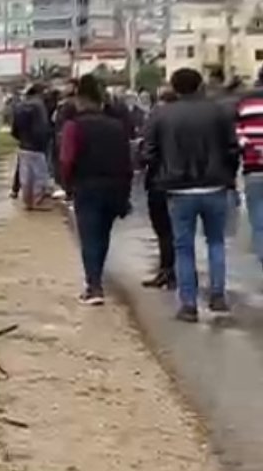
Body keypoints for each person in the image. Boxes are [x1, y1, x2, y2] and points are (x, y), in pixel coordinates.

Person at [145, 68, 240, 322]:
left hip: (178, 189)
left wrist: (159, 178)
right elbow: (233, 148)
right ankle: (218, 296)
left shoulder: (162, 115)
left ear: (174, 88)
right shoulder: (218, 111)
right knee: (216, 242)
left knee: (183, 247)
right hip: (215, 185)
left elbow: (149, 153)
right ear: (200, 85)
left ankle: (188, 304)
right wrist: (227, 176)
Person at [60, 74, 133, 305]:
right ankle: (97, 279)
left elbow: (66, 159)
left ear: (80, 101)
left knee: (89, 236)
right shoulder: (117, 126)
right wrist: (126, 192)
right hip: (114, 188)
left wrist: (67, 186)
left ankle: (94, 286)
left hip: (87, 187)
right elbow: (127, 161)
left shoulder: (74, 126)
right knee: (103, 236)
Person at [140, 87, 178, 289]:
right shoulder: (185, 120)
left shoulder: (156, 120)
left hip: (160, 181)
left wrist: (141, 157)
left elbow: (148, 152)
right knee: (178, 230)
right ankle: (178, 271)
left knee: (163, 230)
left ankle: (167, 271)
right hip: (185, 182)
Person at [236, 67, 263, 270]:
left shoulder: (245, 105)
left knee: (258, 219)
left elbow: (238, 135)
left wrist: (254, 149)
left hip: (254, 168)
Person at [11, 83, 53, 210]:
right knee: (40, 175)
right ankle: (37, 201)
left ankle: (27, 202)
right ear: (39, 93)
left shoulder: (19, 106)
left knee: (26, 175)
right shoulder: (39, 106)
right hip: (38, 146)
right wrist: (45, 140)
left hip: (23, 145)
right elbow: (43, 126)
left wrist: (22, 139)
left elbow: (14, 129)